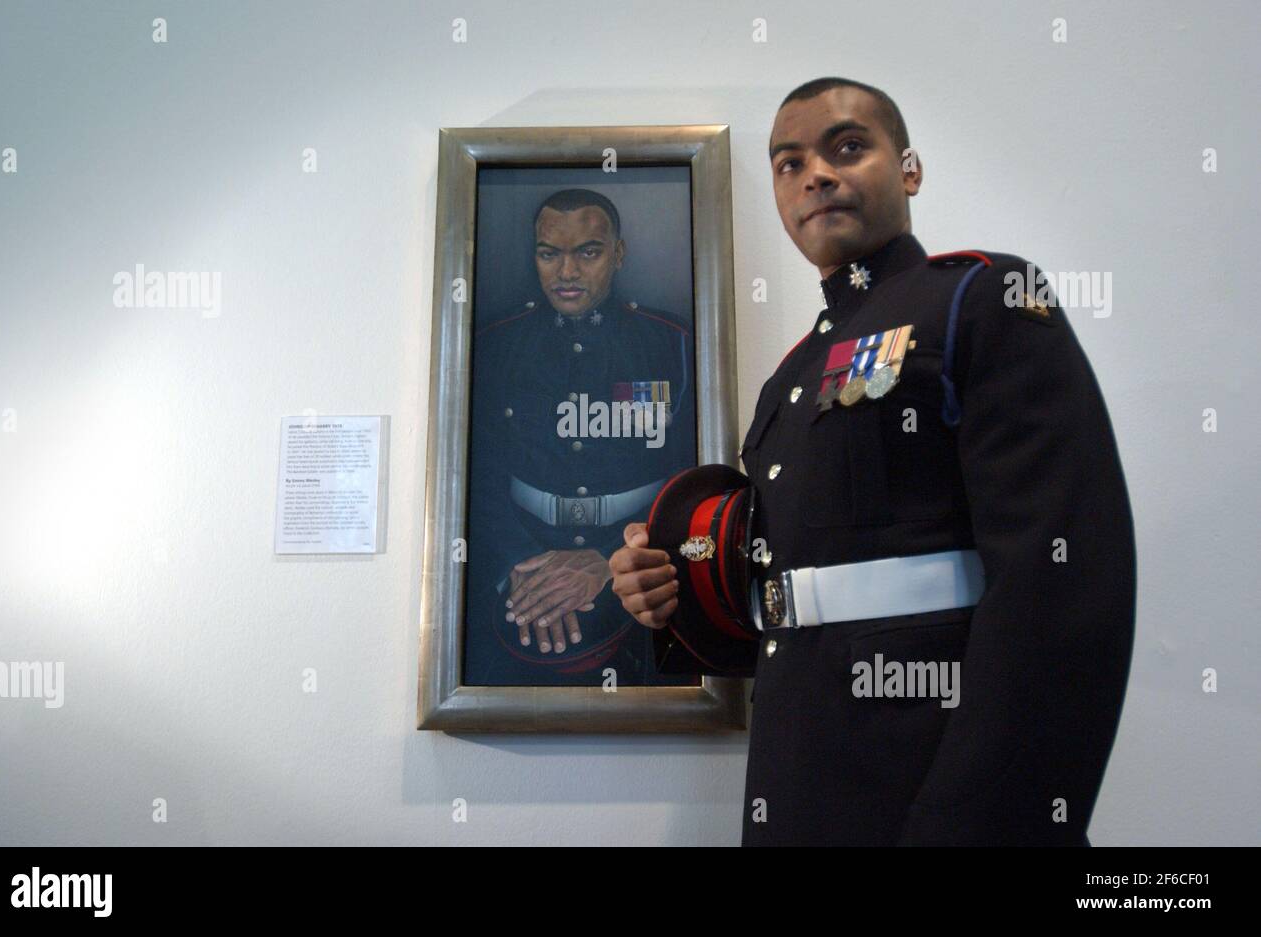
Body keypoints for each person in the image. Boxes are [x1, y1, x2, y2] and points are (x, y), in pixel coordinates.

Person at [610, 77, 1136, 844]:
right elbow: (794, 590)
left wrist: (983, 825)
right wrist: (668, 583)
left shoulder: (982, 298)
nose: (815, 174)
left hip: (935, 786)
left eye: (847, 147)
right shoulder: (787, 382)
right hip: (798, 778)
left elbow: (1062, 583)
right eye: (788, 165)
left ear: (910, 169)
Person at [465, 188, 696, 686]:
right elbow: (474, 477)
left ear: (618, 254)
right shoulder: (492, 346)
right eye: (550, 254)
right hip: (522, 570)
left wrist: (612, 556)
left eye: (587, 252)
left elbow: (692, 481)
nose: (567, 273)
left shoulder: (672, 344)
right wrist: (521, 568)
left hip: (641, 566)